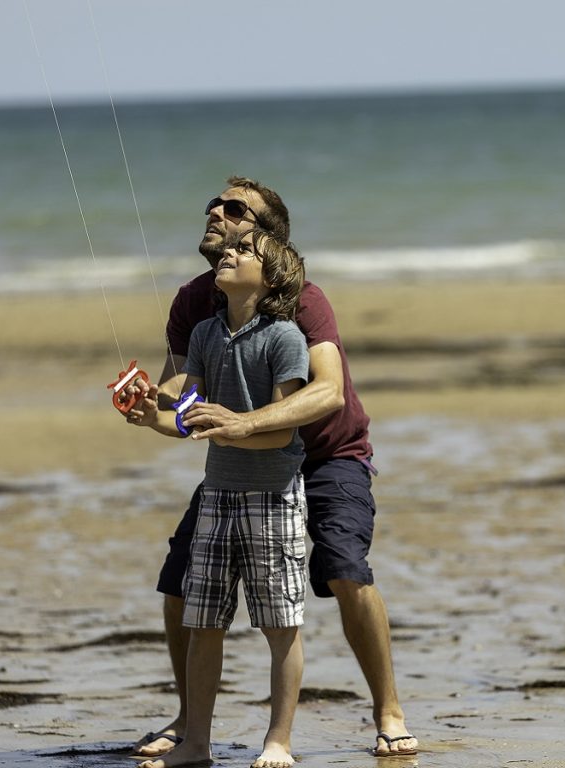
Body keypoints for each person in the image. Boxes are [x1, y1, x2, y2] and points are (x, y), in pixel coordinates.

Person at [129, 176, 418, 759]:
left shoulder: (302, 302)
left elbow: (328, 392)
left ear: (266, 239)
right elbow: (180, 390)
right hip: (242, 469)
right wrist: (147, 402)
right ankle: (191, 722)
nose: (216, 210)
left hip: (327, 454)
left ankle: (388, 709)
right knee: (181, 576)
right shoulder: (194, 301)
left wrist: (243, 424)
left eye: (235, 209)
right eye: (214, 202)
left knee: (344, 567)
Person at [134, 228, 310, 768]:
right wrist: (151, 417)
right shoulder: (208, 333)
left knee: (280, 626)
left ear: (272, 275)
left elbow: (281, 432)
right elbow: (189, 417)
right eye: (225, 251)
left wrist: (233, 427)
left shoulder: (286, 338)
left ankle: (278, 742)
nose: (227, 254)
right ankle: (197, 744)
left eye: (243, 251)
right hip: (217, 496)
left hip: (274, 496)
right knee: (203, 622)